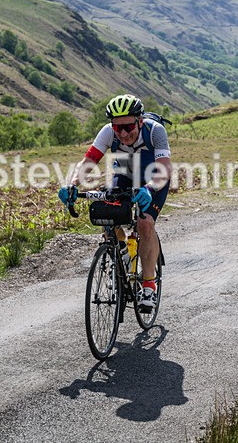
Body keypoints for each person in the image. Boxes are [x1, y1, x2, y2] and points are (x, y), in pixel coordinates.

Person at [58, 94, 171, 311]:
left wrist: (149, 188)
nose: (124, 133)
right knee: (106, 214)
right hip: (125, 175)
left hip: (153, 179)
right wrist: (72, 184)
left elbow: (164, 169)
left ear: (139, 121)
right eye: (118, 128)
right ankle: (119, 258)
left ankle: (148, 285)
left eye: (128, 126)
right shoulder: (108, 132)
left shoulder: (155, 131)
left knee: (144, 222)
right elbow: (89, 160)